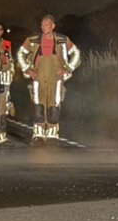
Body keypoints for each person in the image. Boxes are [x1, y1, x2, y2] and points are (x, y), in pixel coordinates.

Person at [16, 15, 81, 144]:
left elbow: (76, 53)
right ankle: (38, 134)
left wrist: (67, 69)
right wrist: (27, 69)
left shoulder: (63, 40)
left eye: (47, 24)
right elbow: (20, 53)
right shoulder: (33, 40)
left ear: (53, 26)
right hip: (38, 75)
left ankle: (52, 134)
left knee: (54, 104)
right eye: (42, 24)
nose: (44, 27)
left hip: (56, 76)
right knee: (38, 104)